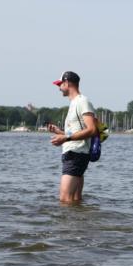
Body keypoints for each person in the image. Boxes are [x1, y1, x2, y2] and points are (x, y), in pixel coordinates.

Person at [46, 71, 97, 203]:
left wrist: (65, 138)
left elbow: (92, 129)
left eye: (60, 84)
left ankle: (68, 218)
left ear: (67, 83)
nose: (59, 88)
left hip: (76, 155)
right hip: (75, 154)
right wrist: (60, 132)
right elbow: (77, 131)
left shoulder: (82, 101)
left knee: (65, 199)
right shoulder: (74, 103)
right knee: (74, 200)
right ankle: (78, 217)